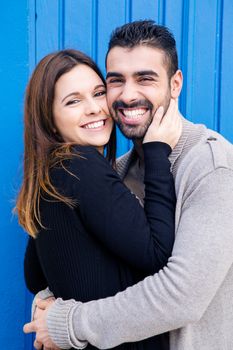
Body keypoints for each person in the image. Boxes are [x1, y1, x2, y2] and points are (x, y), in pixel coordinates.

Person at [24, 21, 233, 350]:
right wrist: (47, 301)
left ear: (175, 84)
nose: (128, 94)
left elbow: (181, 296)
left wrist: (66, 323)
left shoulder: (212, 164)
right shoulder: (115, 170)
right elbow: (75, 261)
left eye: (145, 78)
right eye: (115, 81)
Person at [17, 48, 182, 350]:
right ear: (49, 119)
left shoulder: (48, 178)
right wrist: (157, 151)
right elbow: (158, 254)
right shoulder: (79, 165)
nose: (95, 108)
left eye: (98, 93)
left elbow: (34, 276)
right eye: (73, 101)